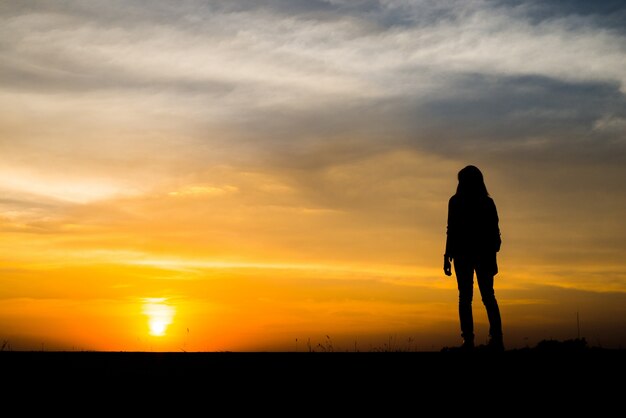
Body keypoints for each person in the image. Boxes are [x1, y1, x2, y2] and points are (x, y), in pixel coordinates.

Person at [443, 165, 504, 351]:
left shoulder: (481, 203)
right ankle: (475, 340)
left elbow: (494, 231)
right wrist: (447, 255)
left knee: (477, 297)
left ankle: (488, 339)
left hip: (474, 254)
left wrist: (447, 255)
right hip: (467, 254)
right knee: (477, 297)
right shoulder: (474, 202)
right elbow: (451, 230)